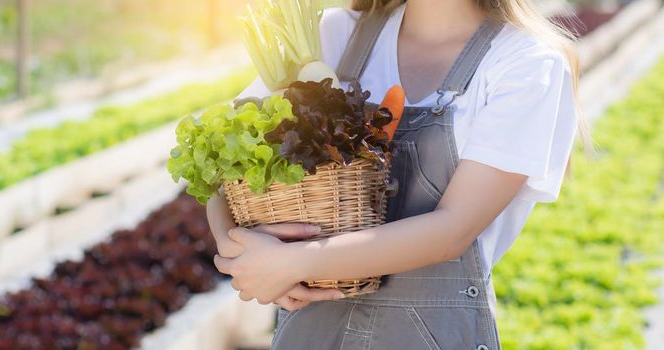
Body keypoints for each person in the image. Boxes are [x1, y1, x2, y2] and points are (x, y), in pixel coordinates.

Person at [208, 0, 579, 348]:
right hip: (312, 331)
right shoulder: (333, 37)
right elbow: (219, 155)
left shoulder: (526, 63)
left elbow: (453, 231)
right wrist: (233, 245)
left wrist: (292, 262)